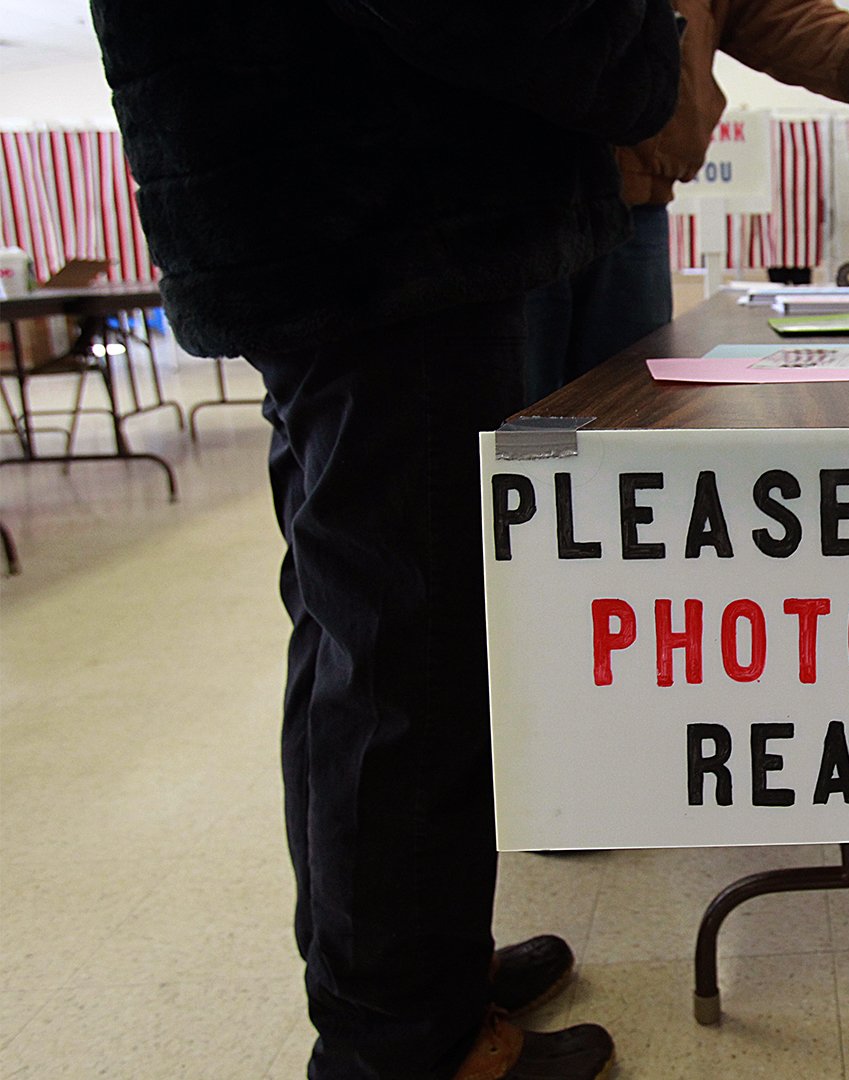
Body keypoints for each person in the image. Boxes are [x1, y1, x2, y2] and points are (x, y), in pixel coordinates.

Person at [92, 3, 681, 1078]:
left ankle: (400, 970)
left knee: (353, 632)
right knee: (411, 654)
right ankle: (405, 1041)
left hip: (304, 202)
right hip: (387, 216)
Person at [524, 0, 849, 402]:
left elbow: (768, 10)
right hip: (504, 193)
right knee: (503, 436)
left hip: (634, 200)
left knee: (629, 420)